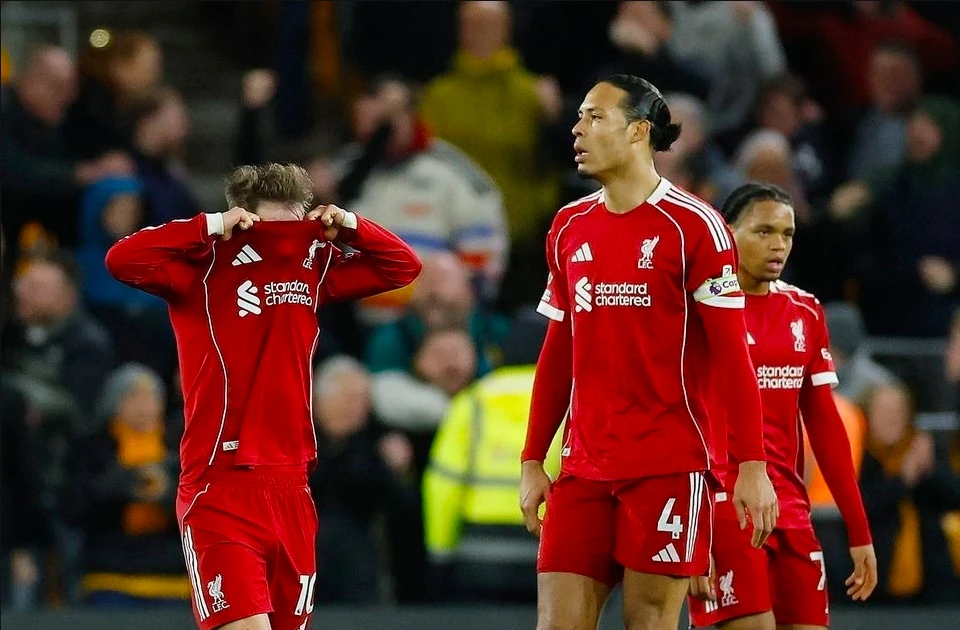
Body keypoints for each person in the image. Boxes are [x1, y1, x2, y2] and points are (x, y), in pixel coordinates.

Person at [105, 162, 422, 630]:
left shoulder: (312, 267)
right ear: (239, 219)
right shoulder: (200, 269)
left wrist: (352, 225)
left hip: (293, 486)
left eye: (292, 232)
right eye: (267, 233)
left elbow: (402, 266)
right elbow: (122, 260)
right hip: (219, 486)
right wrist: (210, 225)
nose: (281, 247)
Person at [519, 74, 777, 630]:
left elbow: (734, 358)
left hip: (668, 466)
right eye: (579, 116)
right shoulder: (568, 226)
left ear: (639, 132)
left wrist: (751, 468)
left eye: (594, 117)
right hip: (583, 467)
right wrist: (533, 458)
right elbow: (559, 349)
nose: (577, 128)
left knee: (649, 622)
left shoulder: (695, 227)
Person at [687, 183, 878, 629]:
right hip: (724, 506)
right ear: (727, 233)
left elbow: (825, 426)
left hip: (791, 510)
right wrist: (691, 533)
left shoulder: (805, 311)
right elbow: (678, 420)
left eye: (787, 234)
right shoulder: (695, 312)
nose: (778, 245)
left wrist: (859, 530)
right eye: (763, 231)